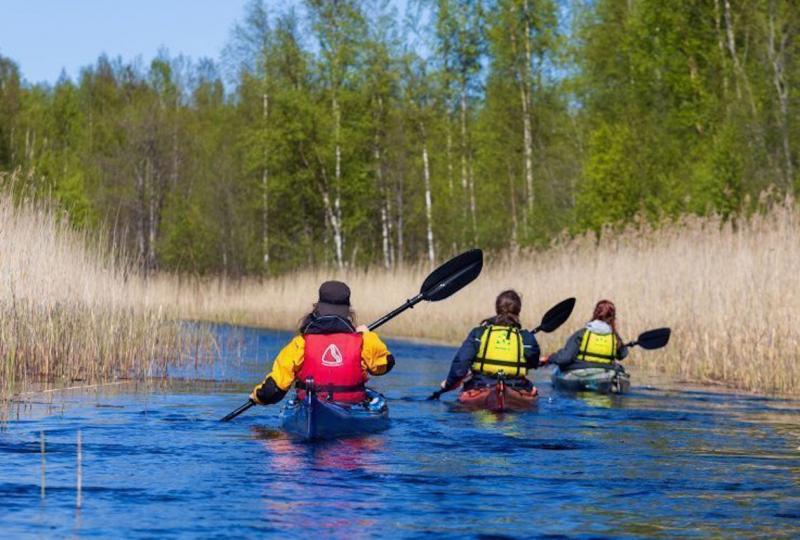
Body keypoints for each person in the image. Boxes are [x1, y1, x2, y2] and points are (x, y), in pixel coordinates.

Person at [249, 280, 395, 406]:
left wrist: (257, 397)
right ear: (348, 312)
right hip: (351, 406)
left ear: (317, 309)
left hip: (312, 406)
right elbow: (384, 365)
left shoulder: (300, 343)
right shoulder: (364, 341)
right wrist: (367, 335)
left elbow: (273, 390)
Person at [436, 289, 541, 396]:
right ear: (518, 310)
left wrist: (449, 383)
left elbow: (461, 362)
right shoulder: (526, 337)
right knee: (533, 390)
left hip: (481, 384)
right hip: (517, 386)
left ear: (497, 309)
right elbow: (534, 363)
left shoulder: (479, 333)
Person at [543, 299, 628, 371]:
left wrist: (550, 358)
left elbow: (565, 358)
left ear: (595, 313)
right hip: (607, 370)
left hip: (581, 369)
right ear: (613, 317)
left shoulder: (581, 334)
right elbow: (623, 355)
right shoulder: (615, 338)